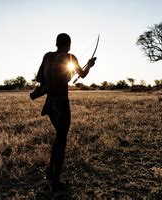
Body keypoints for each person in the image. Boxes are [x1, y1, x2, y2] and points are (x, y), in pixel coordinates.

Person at [32, 33, 96, 191]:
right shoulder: (70, 57)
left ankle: (51, 174)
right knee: (61, 140)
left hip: (50, 103)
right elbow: (82, 74)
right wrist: (89, 64)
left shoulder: (47, 56)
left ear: (56, 43)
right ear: (68, 44)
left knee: (59, 138)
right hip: (61, 103)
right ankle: (55, 181)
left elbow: (41, 79)